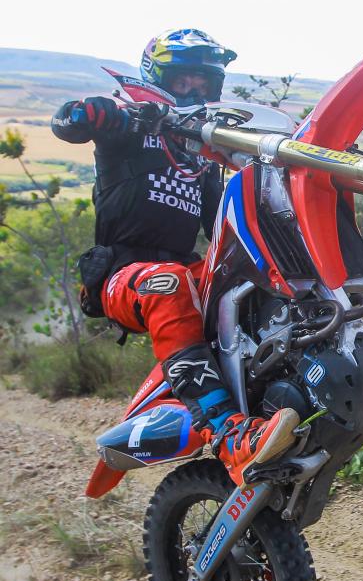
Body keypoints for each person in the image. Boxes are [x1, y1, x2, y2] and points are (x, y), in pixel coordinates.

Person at [51, 28, 298, 486]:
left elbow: (225, 227)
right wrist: (96, 112)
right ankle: (229, 435)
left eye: (203, 83)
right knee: (167, 281)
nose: (193, 90)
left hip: (182, 269)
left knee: (257, 280)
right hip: (123, 276)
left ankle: (284, 391)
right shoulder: (128, 127)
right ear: (157, 77)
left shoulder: (199, 160)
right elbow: (68, 123)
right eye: (183, 80)